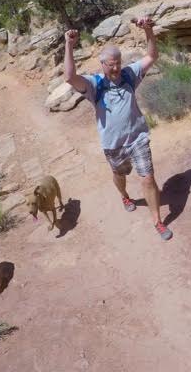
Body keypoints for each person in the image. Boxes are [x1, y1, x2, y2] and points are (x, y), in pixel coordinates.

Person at [63, 18, 172, 241]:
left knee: (148, 178)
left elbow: (151, 56)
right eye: (110, 64)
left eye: (117, 63)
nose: (115, 68)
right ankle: (124, 195)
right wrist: (69, 46)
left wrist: (149, 31)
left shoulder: (130, 75)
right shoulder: (94, 84)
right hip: (113, 144)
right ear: (102, 64)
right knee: (119, 174)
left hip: (137, 138)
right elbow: (69, 77)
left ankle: (157, 221)